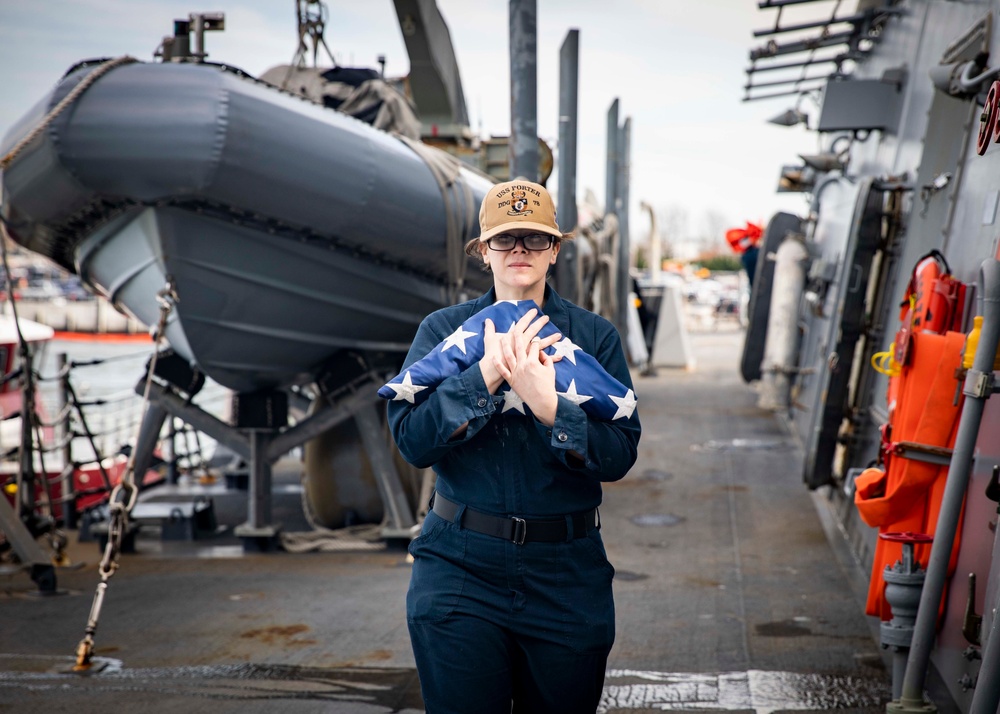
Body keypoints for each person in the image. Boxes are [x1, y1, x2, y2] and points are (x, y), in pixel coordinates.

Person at [386, 179, 641, 713]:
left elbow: (619, 454)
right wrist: (480, 378)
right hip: (460, 568)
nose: (520, 250)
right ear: (484, 252)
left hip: (566, 573)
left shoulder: (594, 339)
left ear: (554, 250)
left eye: (534, 238)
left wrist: (550, 407)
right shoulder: (445, 333)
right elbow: (412, 440)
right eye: (505, 240)